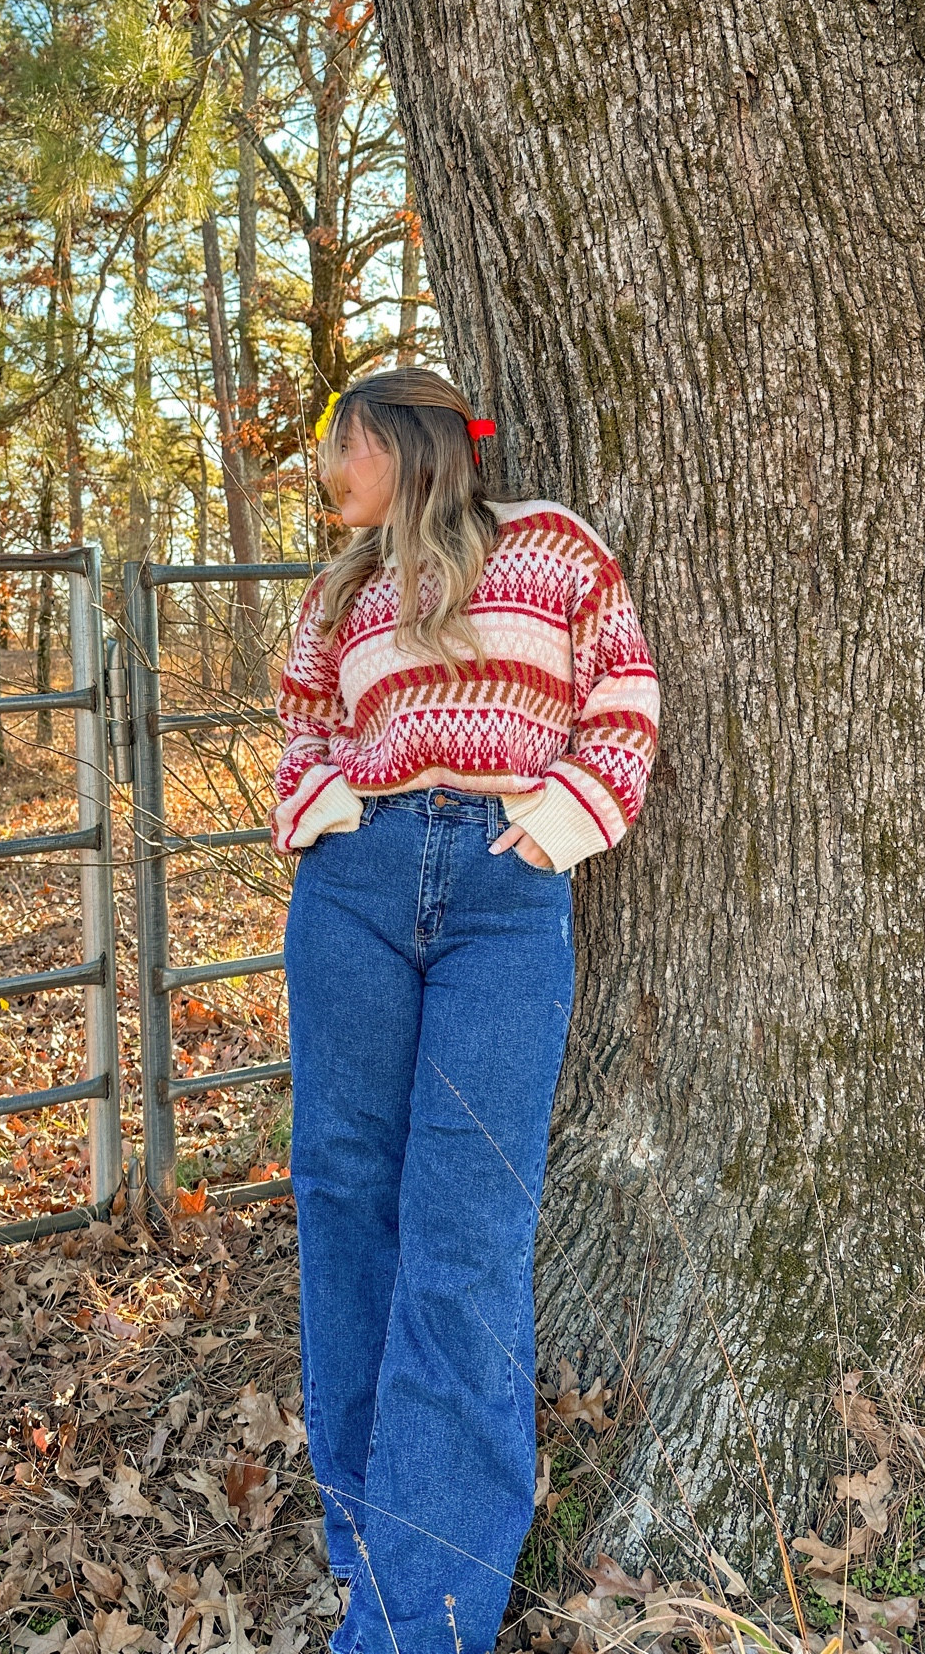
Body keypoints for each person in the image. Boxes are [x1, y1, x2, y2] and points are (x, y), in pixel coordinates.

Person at [271, 367, 659, 1654]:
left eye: (341, 444)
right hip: (358, 889)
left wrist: (558, 826)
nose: (327, 470)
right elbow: (301, 727)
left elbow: (624, 695)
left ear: (402, 439)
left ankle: (417, 1621)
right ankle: (366, 1533)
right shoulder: (341, 591)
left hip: (503, 895)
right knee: (343, 1195)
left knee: (468, 1226)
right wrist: (326, 812)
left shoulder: (552, 547)